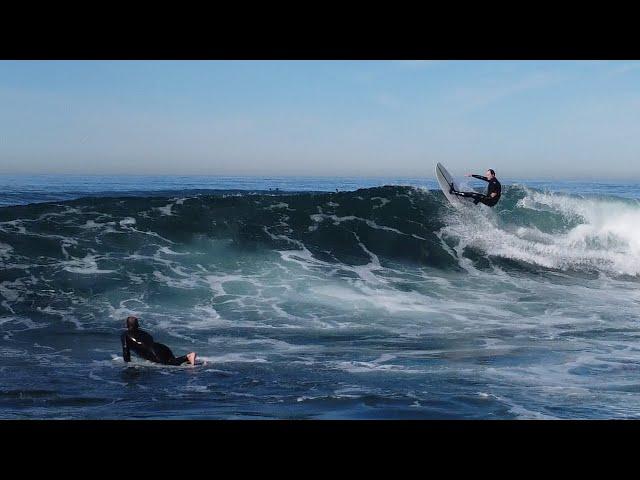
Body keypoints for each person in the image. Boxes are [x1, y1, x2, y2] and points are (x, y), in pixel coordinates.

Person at [121, 316, 196, 366]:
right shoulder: (145, 333)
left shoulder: (125, 335)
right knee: (174, 362)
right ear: (138, 325)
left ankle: (187, 357)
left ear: (127, 325)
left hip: (155, 351)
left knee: (168, 365)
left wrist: (127, 365)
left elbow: (126, 350)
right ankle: (191, 362)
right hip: (162, 347)